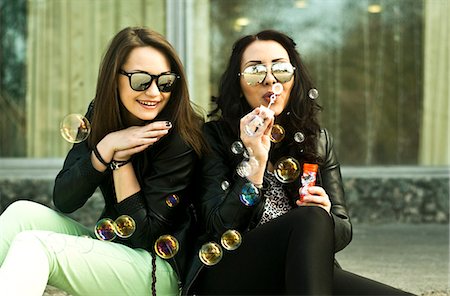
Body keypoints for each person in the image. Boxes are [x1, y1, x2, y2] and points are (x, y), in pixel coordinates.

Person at [183, 29, 414, 295]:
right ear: (238, 84)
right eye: (255, 72)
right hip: (232, 274)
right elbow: (217, 226)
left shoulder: (317, 141)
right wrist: (255, 164)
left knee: (315, 217)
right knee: (308, 219)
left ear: (294, 78)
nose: (270, 80)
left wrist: (326, 216)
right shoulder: (215, 138)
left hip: (297, 272)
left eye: (281, 69)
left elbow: (342, 230)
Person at [0, 26, 205, 296]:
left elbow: (143, 237)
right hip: (112, 247)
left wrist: (121, 161)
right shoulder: (101, 114)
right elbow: (64, 199)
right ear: (114, 78)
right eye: (141, 80)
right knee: (21, 214)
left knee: (34, 245)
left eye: (165, 81)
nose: (155, 93)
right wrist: (107, 146)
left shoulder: (181, 136)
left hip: (159, 270)